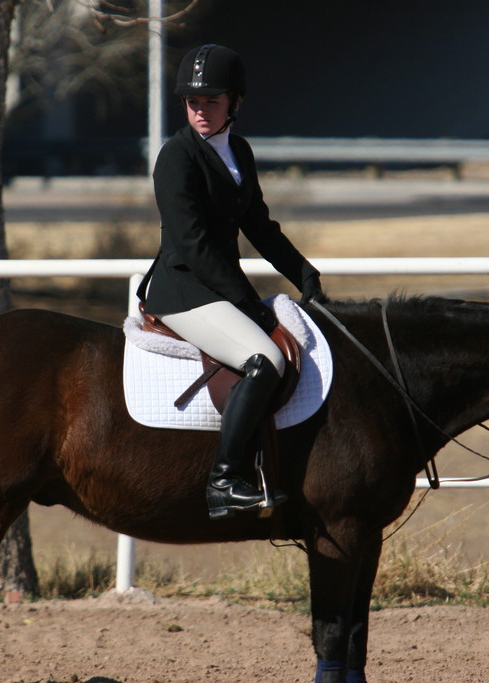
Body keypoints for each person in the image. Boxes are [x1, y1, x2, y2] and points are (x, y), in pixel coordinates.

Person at [139, 44, 328, 520]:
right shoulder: (176, 158)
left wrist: (303, 271)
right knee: (264, 359)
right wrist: (248, 302)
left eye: (211, 101)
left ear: (235, 103)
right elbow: (193, 244)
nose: (200, 110)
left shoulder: (239, 150)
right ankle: (224, 481)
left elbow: (259, 226)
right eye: (192, 101)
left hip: (216, 286)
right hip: (184, 291)